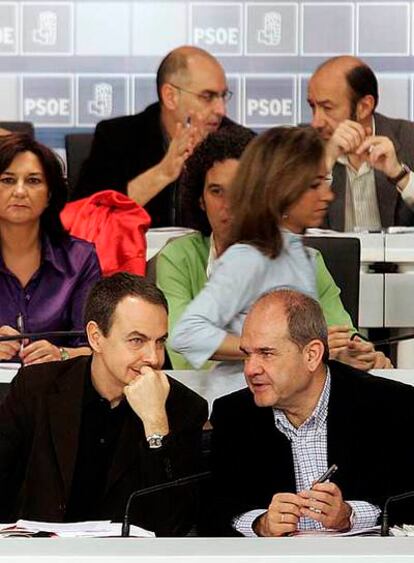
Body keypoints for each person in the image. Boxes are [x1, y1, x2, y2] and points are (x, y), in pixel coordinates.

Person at [158, 127, 390, 371]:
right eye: (217, 191)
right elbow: (182, 338)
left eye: (239, 189)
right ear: (200, 200)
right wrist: (280, 348)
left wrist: (357, 355)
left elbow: (341, 335)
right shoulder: (180, 257)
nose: (230, 204)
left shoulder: (306, 258)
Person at [0, 273, 208, 536]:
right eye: (137, 340)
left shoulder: (184, 407)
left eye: (160, 342)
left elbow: (176, 524)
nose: (153, 358)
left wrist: (155, 424)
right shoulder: (36, 388)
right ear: (96, 337)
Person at [207, 289, 414, 537]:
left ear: (312, 354)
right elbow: (211, 509)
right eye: (247, 355)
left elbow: (408, 498)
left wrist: (350, 515)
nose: (251, 369)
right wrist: (260, 523)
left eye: (266, 353)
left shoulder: (391, 405)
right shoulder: (233, 415)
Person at [73, 45, 235, 227]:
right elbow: (85, 221)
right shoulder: (117, 138)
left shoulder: (239, 145)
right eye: (207, 96)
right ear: (170, 96)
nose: (221, 109)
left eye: (223, 96)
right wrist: (163, 173)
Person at [0, 133, 101, 365]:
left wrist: (61, 354)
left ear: (49, 195)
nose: (20, 191)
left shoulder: (80, 260)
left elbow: (99, 347)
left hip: (58, 392)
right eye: (7, 180)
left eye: (33, 181)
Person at [308, 55, 414, 231]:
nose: (316, 122)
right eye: (313, 107)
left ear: (364, 106)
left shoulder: (409, 138)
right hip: (333, 259)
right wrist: (326, 161)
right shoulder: (304, 147)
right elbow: (287, 218)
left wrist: (399, 174)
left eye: (327, 108)